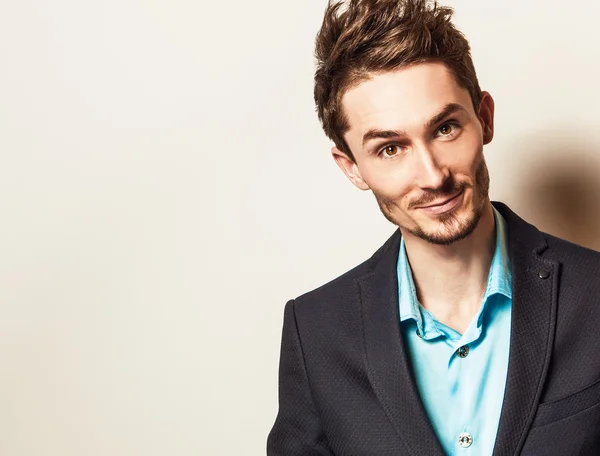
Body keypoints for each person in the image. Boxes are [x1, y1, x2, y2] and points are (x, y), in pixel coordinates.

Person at [266, 0, 600, 454]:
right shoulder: (318, 333)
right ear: (351, 168)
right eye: (390, 149)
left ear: (484, 118)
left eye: (444, 128)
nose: (432, 175)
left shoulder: (594, 294)